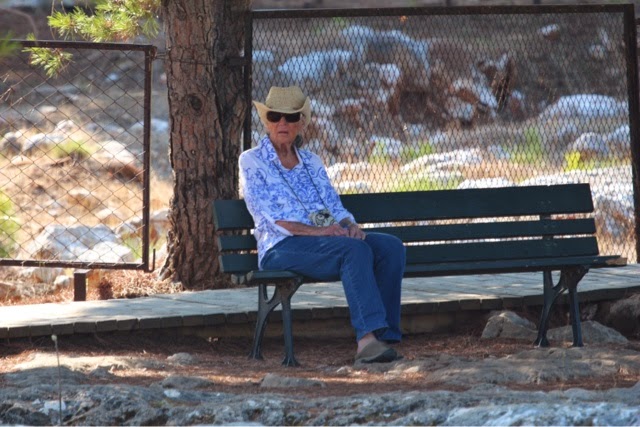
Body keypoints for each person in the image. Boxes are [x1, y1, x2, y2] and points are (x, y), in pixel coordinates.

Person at [239, 85, 406, 364]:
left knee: (390, 247)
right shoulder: (252, 161)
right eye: (276, 116)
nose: (283, 123)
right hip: (281, 247)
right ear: (267, 121)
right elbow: (270, 216)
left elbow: (333, 206)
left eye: (291, 117)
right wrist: (322, 232)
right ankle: (366, 341)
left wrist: (349, 225)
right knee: (353, 251)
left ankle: (384, 336)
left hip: (325, 241)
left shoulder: (311, 161)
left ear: (301, 123)